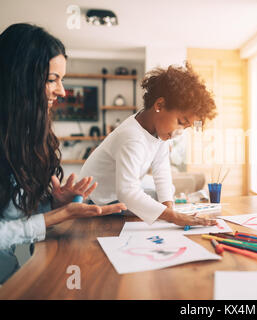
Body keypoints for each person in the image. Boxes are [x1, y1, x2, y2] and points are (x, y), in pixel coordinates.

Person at [0, 23, 126, 284]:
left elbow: (13, 215)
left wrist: (53, 205)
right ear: (19, 80)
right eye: (52, 80)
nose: (62, 91)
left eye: (62, 79)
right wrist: (55, 217)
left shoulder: (22, 137)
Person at [80, 64, 218, 227]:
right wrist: (173, 217)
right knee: (151, 202)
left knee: (161, 198)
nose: (180, 132)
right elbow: (127, 192)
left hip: (115, 195)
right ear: (159, 105)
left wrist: (170, 209)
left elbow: (162, 171)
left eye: (186, 127)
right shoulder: (132, 137)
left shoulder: (157, 130)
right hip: (97, 202)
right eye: (181, 122)